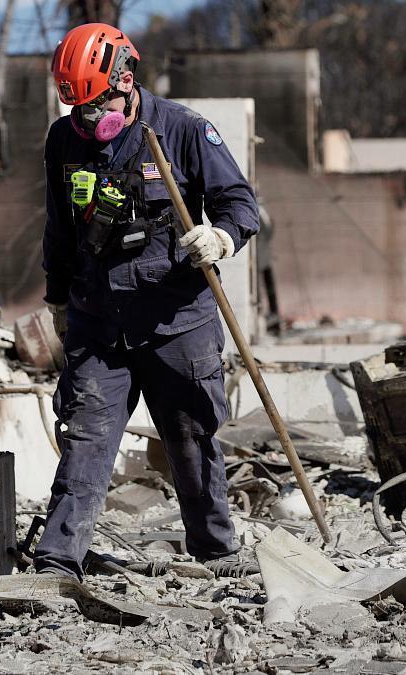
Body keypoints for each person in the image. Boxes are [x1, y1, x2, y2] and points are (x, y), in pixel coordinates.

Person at [34, 23, 261, 579]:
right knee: (86, 436)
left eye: (96, 105)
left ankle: (214, 551)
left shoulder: (183, 130)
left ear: (127, 81)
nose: (88, 120)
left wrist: (222, 237)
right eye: (78, 110)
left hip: (176, 320)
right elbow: (59, 228)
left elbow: (240, 204)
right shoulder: (64, 141)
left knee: (190, 437)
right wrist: (59, 300)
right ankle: (57, 562)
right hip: (98, 320)